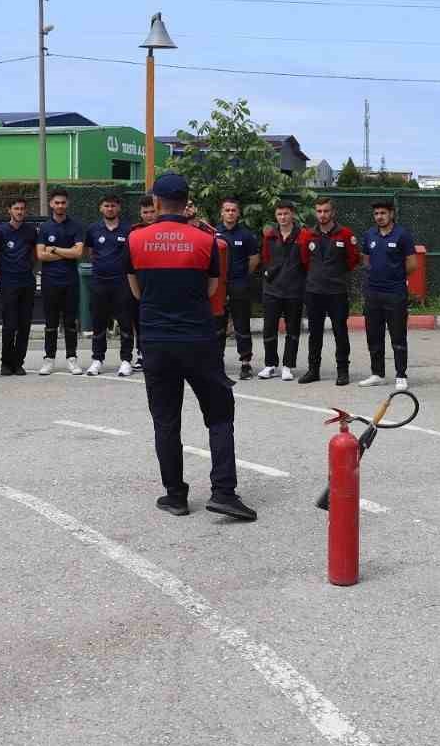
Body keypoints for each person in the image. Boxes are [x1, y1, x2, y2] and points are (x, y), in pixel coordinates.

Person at [127, 173, 255, 521]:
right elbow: (213, 289)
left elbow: (136, 291)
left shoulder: (136, 239)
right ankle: (224, 492)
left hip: (155, 341)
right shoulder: (205, 241)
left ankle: (175, 496)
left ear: (155, 202)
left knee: (166, 421)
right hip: (198, 339)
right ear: (187, 202)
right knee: (219, 414)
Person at [298, 197, 360, 386]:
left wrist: (334, 274)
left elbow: (352, 260)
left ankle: (342, 371)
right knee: (314, 333)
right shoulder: (307, 235)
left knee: (340, 332)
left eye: (326, 211)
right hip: (314, 291)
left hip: (337, 291)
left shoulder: (345, 234)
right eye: (319, 211)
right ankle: (313, 370)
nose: (322, 215)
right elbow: (304, 260)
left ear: (333, 212)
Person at [358, 199, 417, 392]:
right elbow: (366, 261)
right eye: (376, 214)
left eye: (383, 213)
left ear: (391, 214)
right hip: (373, 293)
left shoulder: (403, 235)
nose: (379, 217)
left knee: (398, 336)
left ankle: (401, 375)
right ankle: (377, 374)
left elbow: (412, 264)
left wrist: (395, 277)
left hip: (395, 293)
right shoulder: (369, 235)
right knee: (373, 335)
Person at [84, 192, 135, 377]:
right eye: (106, 205)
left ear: (119, 208)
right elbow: (90, 252)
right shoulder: (93, 229)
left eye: (113, 205)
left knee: (125, 323)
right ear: (101, 208)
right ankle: (97, 359)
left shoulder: (128, 230)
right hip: (99, 283)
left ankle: (126, 360)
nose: (110, 208)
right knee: (98, 323)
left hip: (121, 283)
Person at [36, 188, 85, 375]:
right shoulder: (44, 228)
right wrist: (67, 253)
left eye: (63, 202)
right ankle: (48, 359)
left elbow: (79, 253)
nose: (60, 205)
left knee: (70, 322)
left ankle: (72, 359)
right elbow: (40, 255)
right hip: (50, 282)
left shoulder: (76, 226)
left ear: (67, 204)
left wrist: (55, 249)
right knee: (50, 323)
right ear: (51, 204)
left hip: (70, 281)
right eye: (56, 202)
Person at [258, 201, 306, 381]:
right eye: (279, 214)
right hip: (272, 290)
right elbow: (265, 258)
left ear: (292, 214)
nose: (283, 217)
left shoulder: (303, 235)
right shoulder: (269, 236)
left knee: (292, 330)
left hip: (294, 290)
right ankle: (270, 365)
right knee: (269, 329)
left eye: (286, 214)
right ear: (275, 216)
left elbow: (307, 261)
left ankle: (287, 366)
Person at [0, 197, 39, 375]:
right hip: (8, 282)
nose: (20, 212)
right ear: (9, 210)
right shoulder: (0, 231)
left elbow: (35, 256)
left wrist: (29, 271)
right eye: (16, 208)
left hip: (27, 281)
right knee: (9, 325)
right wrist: (5, 273)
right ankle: (6, 362)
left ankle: (18, 362)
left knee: (24, 324)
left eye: (22, 209)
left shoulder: (31, 231)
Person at [215, 197, 261, 380]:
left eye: (233, 210)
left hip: (239, 284)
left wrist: (242, 277)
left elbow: (254, 260)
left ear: (238, 213)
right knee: (217, 325)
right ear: (222, 212)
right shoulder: (214, 233)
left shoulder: (246, 235)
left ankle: (245, 363)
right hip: (218, 286)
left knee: (242, 325)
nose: (230, 213)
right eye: (227, 210)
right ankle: (217, 361)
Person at [130, 194, 157, 372]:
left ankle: (158, 354)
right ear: (140, 213)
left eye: (152, 211)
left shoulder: (166, 230)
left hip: (160, 280)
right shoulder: (134, 231)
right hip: (140, 280)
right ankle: (141, 353)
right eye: (145, 212)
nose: (149, 215)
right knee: (140, 320)